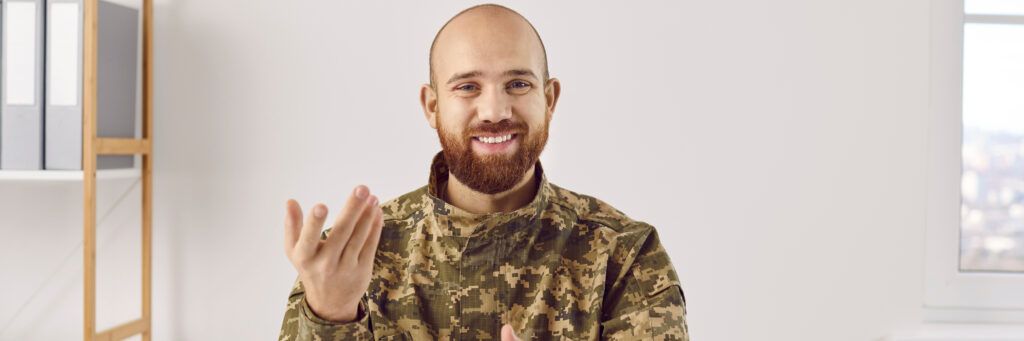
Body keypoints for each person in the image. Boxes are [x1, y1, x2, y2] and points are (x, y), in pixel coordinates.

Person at [278, 4, 689, 340]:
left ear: (549, 99)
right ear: (432, 106)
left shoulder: (622, 255)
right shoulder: (347, 262)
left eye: (518, 84)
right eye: (468, 87)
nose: (495, 112)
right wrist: (330, 316)